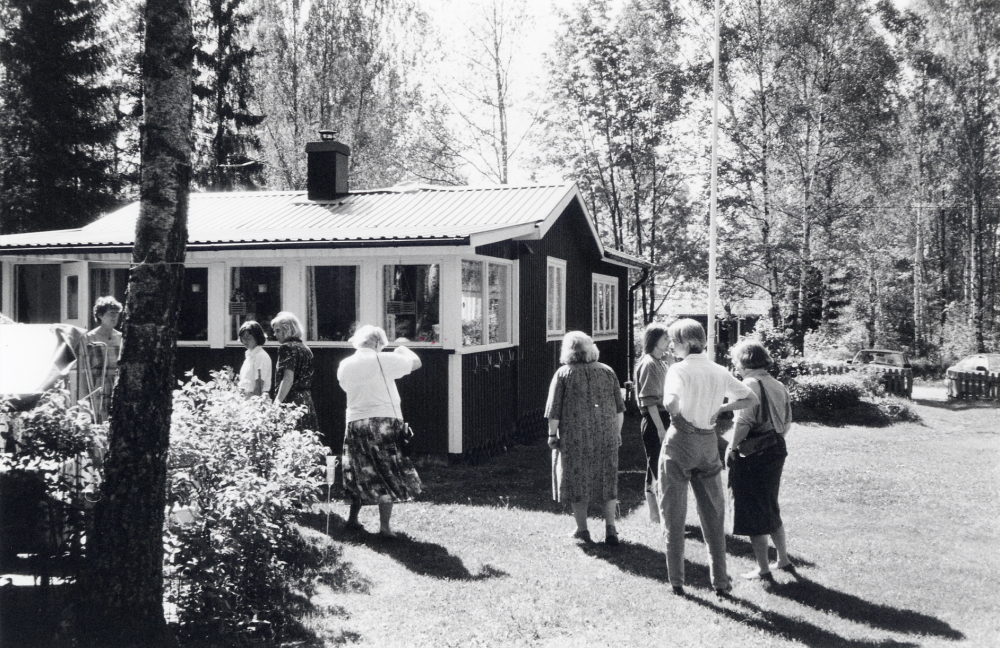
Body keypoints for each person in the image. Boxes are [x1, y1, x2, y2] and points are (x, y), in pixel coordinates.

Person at [659, 318, 757, 596]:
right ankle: (720, 582)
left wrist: (675, 410)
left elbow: (670, 401)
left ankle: (677, 581)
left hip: (681, 441)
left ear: (685, 342)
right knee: (714, 514)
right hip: (708, 442)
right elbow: (750, 398)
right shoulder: (718, 370)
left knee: (674, 513)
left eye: (674, 342)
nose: (672, 348)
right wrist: (723, 407)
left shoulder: (678, 369)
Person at [337, 325, 423, 537]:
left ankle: (353, 519)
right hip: (383, 422)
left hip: (355, 422)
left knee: (358, 468)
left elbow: (346, 387)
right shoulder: (384, 359)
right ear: (377, 343)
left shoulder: (345, 364)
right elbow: (417, 363)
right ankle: (384, 528)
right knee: (385, 469)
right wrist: (402, 348)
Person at [545, 331, 626, 546]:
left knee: (577, 478)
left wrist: (552, 435)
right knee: (607, 477)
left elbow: (554, 411)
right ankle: (610, 529)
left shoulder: (563, 374)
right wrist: (617, 432)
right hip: (605, 434)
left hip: (575, 437)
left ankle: (582, 530)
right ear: (591, 348)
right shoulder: (608, 371)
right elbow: (620, 409)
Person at [726, 340, 795, 582]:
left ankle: (763, 568)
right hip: (776, 448)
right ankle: (783, 559)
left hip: (754, 453)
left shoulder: (749, 385)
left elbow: (743, 422)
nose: (735, 365)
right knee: (769, 503)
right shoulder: (778, 384)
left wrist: (732, 448)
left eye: (736, 360)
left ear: (744, 361)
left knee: (752, 509)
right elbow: (787, 422)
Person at [634, 322, 673, 525]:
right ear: (654, 340)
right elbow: (649, 401)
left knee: (657, 466)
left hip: (663, 418)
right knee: (657, 467)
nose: (669, 342)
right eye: (665, 338)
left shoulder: (660, 362)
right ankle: (658, 515)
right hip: (655, 419)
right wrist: (660, 429)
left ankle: (657, 516)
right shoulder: (649, 363)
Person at [271, 312, 317, 432]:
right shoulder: (306, 349)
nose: (274, 334)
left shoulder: (286, 348)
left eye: (278, 330)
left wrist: (277, 402)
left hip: (291, 401)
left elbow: (288, 378)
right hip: (306, 401)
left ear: (287, 329)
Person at [85, 296, 123, 423]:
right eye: (111, 313)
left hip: (118, 387)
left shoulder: (121, 338)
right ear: (100, 315)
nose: (115, 317)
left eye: (117, 313)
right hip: (98, 388)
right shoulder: (90, 338)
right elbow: (84, 368)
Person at [237, 320, 272, 398]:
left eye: (248, 337)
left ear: (257, 337)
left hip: (256, 399)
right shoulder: (249, 355)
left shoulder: (261, 356)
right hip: (246, 398)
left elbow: (259, 386)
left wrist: (253, 404)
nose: (245, 340)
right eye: (243, 338)